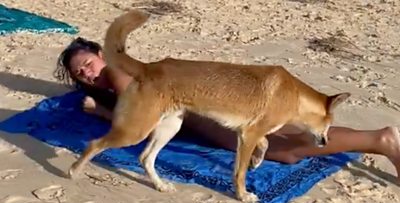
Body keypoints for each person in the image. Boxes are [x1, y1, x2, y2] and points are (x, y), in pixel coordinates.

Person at [54, 37, 400, 177]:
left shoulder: (116, 74)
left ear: (101, 55)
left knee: (287, 150)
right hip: (200, 100)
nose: (87, 72)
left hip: (200, 111)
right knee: (287, 129)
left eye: (88, 62)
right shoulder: (113, 78)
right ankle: (378, 139)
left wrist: (99, 112)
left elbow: (136, 120)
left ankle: (379, 141)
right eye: (79, 72)